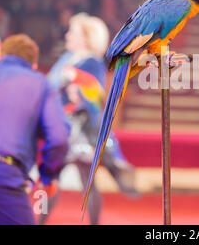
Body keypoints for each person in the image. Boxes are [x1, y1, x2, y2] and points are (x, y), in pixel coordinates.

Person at [44, 13, 139, 225]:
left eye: (73, 32)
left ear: (85, 38)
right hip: (63, 127)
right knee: (65, 180)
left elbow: (97, 98)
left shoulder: (92, 62)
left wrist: (76, 87)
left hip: (81, 130)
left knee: (59, 179)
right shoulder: (66, 58)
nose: (67, 35)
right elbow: (50, 86)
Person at [0, 34, 70, 225]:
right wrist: (48, 175)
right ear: (34, 65)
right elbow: (59, 138)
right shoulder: (41, 84)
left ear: (0, 56)